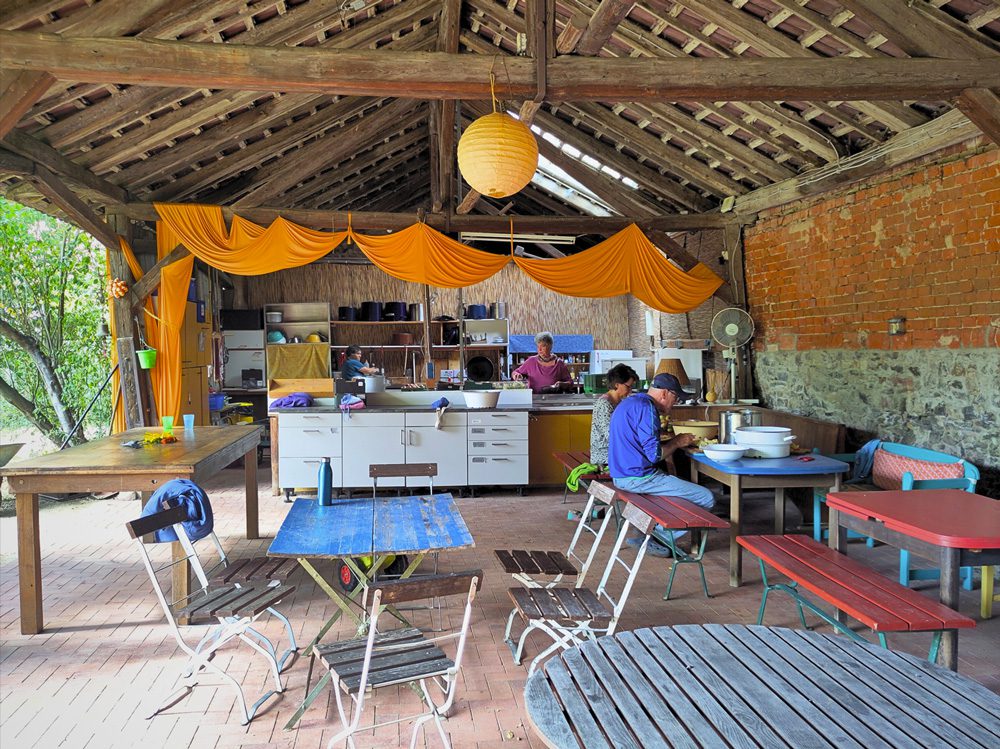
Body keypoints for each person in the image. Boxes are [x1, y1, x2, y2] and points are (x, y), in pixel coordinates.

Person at [608, 372, 715, 556]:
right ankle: (656, 536)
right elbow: (654, 455)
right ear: (665, 393)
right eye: (676, 397)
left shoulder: (629, 402)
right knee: (706, 497)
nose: (676, 403)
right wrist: (677, 442)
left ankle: (651, 530)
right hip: (637, 478)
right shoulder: (647, 408)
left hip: (620, 474)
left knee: (678, 486)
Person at [589, 364, 640, 467]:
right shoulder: (604, 404)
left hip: (616, 451)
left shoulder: (620, 402)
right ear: (617, 385)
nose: (630, 391)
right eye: (628, 386)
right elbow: (612, 436)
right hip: (605, 455)